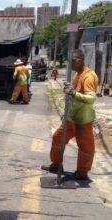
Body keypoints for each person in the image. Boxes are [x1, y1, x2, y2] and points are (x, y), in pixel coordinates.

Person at [42, 49, 99, 180]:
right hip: (71, 117)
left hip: (83, 119)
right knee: (57, 138)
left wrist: (73, 93)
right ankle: (56, 165)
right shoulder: (77, 74)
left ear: (80, 60)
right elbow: (71, 95)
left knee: (85, 147)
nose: (70, 65)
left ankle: (82, 172)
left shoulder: (88, 76)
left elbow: (91, 98)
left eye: (73, 62)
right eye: (70, 62)